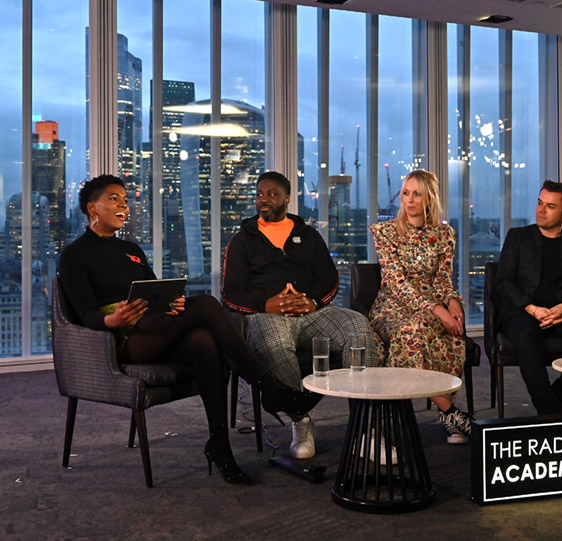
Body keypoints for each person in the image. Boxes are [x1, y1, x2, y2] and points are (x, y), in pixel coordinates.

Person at [58, 175, 319, 485]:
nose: (124, 206)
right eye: (114, 199)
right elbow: (85, 315)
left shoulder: (131, 249)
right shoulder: (75, 254)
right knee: (206, 304)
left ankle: (219, 445)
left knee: (204, 342)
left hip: (153, 328)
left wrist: (172, 303)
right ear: (92, 208)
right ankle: (268, 386)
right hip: (119, 339)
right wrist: (112, 321)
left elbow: (155, 291)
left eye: (125, 201)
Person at [222, 171, 379, 460]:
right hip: (266, 316)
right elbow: (230, 293)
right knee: (275, 344)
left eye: (271, 194)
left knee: (358, 325)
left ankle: (367, 426)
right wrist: (265, 304)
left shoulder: (308, 236)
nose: (263, 199)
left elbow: (329, 278)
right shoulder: (242, 240)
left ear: (287, 198)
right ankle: (301, 420)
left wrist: (313, 302)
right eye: (259, 194)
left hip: (313, 314)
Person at [368, 170, 471, 444]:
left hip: (431, 305)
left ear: (429, 198)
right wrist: (439, 310)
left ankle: (440, 418)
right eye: (406, 193)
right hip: (392, 306)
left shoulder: (445, 234)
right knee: (408, 333)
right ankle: (450, 412)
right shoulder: (385, 232)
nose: (410, 200)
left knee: (452, 339)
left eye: (417, 194)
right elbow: (396, 282)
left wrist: (452, 301)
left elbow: (442, 279)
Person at [495, 180, 562, 415]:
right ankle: (551, 412)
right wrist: (532, 309)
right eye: (540, 203)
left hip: (560, 313)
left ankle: (557, 398)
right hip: (523, 312)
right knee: (526, 332)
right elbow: (504, 281)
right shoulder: (518, 237)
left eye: (550, 206)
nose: (541, 210)